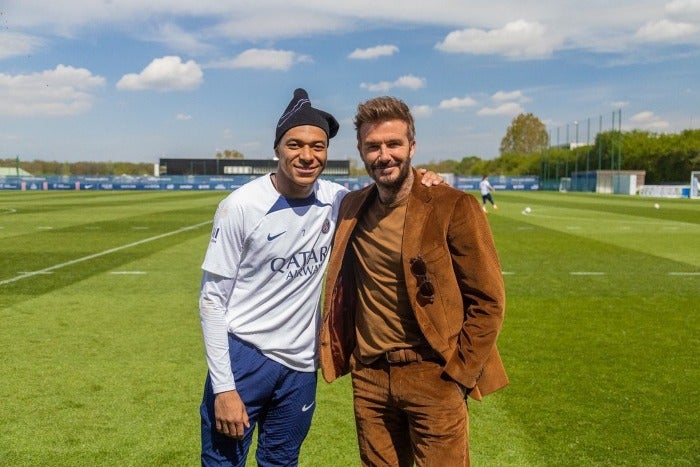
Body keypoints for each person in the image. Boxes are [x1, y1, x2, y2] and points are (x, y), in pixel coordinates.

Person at [198, 88, 442, 466]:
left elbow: (389, 189)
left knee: (282, 461)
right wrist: (224, 388)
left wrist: (424, 177)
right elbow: (212, 300)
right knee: (223, 463)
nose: (307, 156)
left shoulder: (337, 200)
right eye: (295, 144)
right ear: (278, 148)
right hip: (245, 358)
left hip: (301, 366)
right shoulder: (241, 207)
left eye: (318, 146)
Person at [319, 96, 508, 466]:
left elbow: (488, 301)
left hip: (433, 375)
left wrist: (458, 376)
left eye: (394, 144)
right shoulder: (350, 207)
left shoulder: (453, 206)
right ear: (361, 151)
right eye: (373, 146)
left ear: (412, 147)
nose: (384, 155)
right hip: (371, 379)